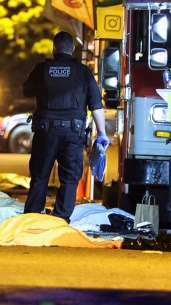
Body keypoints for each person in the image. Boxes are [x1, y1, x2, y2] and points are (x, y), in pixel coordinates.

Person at [22, 31, 108, 223]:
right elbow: (96, 105)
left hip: (46, 132)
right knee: (69, 177)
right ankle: (60, 218)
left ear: (54, 48)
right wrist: (102, 134)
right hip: (73, 133)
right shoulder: (83, 71)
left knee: (40, 174)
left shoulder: (42, 68)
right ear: (72, 49)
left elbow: (26, 90)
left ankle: (33, 217)